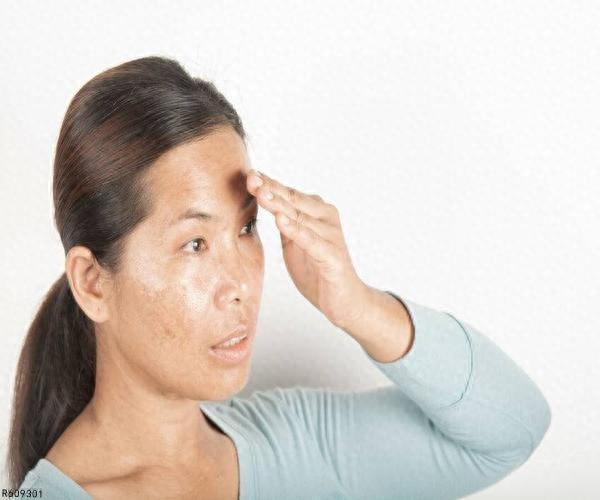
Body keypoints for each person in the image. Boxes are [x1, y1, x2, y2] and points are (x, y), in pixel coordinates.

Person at [7, 56, 551, 499]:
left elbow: (510, 432)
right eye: (196, 244)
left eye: (247, 228)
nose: (240, 284)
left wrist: (357, 306)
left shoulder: (298, 441)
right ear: (93, 282)